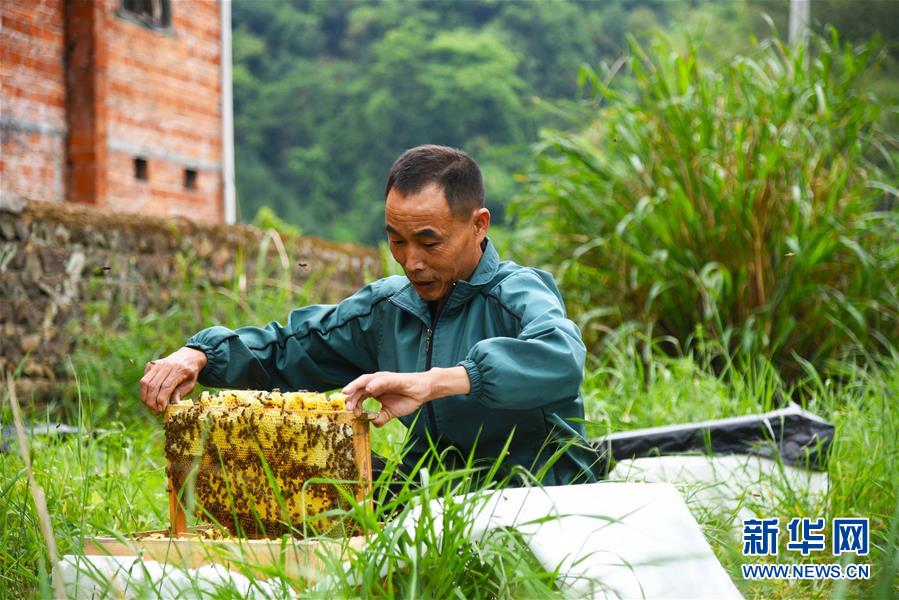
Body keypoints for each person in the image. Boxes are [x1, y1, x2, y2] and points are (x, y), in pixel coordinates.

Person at [140, 145, 597, 485]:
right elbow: (290, 347)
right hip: (435, 499)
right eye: (396, 240)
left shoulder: (517, 291)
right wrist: (200, 354)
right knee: (296, 460)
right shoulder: (388, 308)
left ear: (479, 225)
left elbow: (561, 357)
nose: (411, 260)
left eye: (429, 241)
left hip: (541, 495)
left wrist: (434, 382)